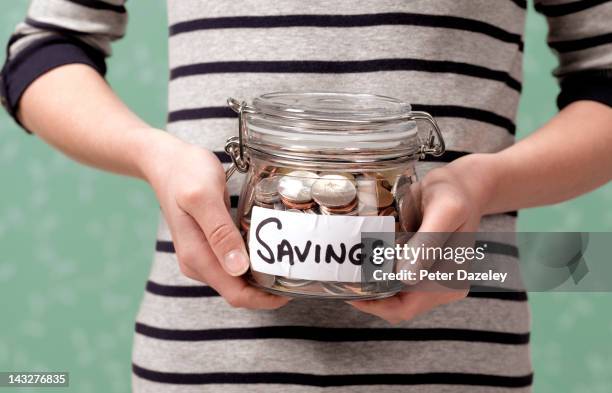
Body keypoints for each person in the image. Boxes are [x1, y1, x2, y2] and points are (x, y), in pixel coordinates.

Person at [2, 1, 611, 392]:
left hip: (462, 360)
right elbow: (41, 49)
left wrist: (487, 182)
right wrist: (152, 154)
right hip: (208, 366)